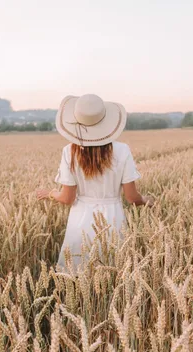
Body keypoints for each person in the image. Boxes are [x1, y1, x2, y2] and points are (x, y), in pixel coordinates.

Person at [37, 94, 153, 269]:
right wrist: (145, 200)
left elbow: (67, 198)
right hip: (113, 220)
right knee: (115, 275)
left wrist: (49, 193)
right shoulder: (122, 150)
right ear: (106, 123)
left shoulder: (69, 151)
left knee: (77, 275)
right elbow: (131, 197)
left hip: (80, 221)